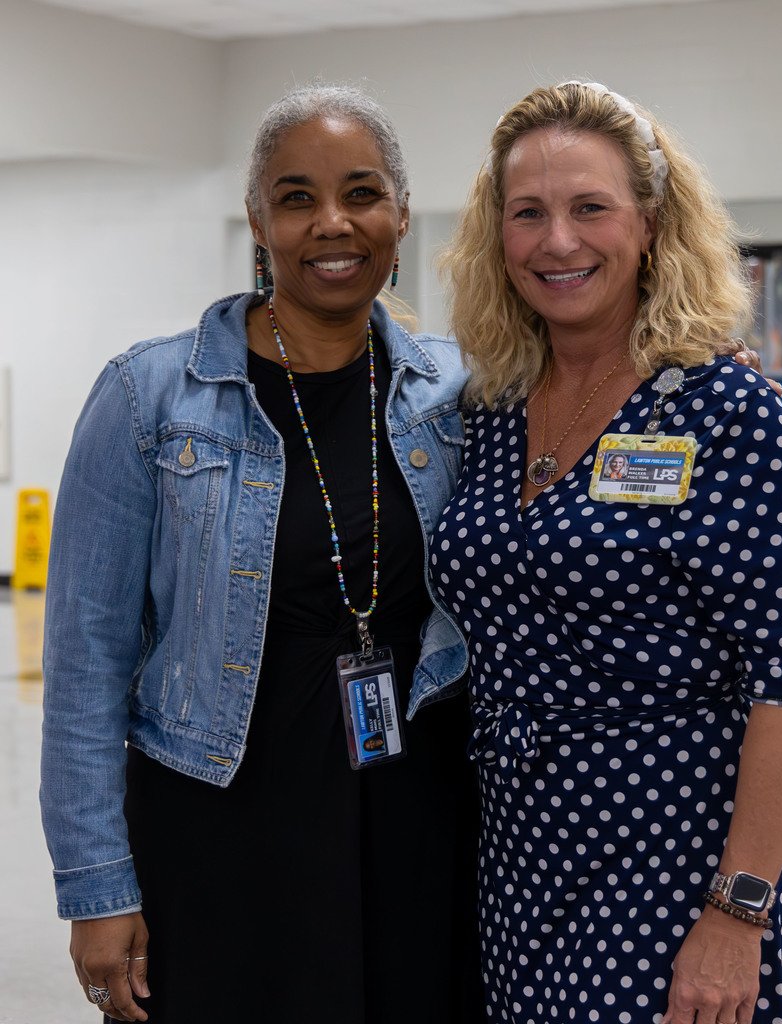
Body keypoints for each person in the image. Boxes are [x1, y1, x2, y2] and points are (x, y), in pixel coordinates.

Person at [39, 82, 485, 1023]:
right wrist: (96, 889)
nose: (333, 223)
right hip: (218, 826)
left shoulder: (461, 393)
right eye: (296, 198)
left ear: (402, 216)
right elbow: (85, 665)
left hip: (420, 821)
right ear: (257, 220)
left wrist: (689, 360)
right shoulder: (147, 399)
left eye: (362, 194)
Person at [434, 81, 782, 1024]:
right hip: (518, 862)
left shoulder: (722, 409)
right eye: (527, 213)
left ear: (651, 223)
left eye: (590, 208)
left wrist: (738, 916)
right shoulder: (488, 408)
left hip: (677, 866)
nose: (558, 241)